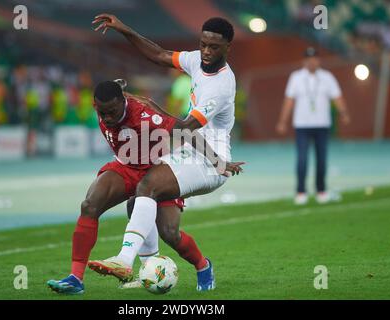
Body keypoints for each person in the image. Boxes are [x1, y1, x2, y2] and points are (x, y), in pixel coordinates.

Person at [90, 15, 243, 290]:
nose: (206, 52)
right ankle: (202, 267)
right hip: (188, 152)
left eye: (214, 47)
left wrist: (146, 103)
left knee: (145, 186)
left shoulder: (220, 86)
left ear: (228, 48)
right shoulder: (197, 59)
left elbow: (183, 128)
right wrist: (125, 29)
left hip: (211, 160)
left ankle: (125, 260)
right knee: (167, 230)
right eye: (203, 44)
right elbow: (159, 54)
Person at [47, 81, 242, 294]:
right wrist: (118, 85)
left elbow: (186, 131)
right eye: (102, 113)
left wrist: (217, 161)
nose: (108, 118)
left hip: (157, 170)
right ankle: (76, 279)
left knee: (169, 232)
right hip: (126, 166)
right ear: (96, 106)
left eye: (112, 112)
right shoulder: (108, 103)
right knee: (90, 205)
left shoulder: (145, 116)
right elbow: (115, 95)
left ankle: (203, 266)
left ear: (123, 103)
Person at [276, 47, 350, 205]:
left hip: (322, 124)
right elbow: (289, 100)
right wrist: (283, 121)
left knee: (321, 160)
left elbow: (337, 96)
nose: (312, 61)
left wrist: (343, 112)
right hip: (302, 125)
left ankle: (321, 190)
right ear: (304, 61)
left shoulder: (327, 77)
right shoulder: (296, 77)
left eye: (314, 58)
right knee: (302, 159)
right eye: (308, 59)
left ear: (319, 60)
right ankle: (300, 191)